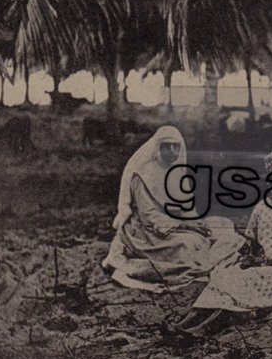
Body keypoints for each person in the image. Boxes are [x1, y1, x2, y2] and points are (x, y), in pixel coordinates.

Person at [175, 151, 272, 335]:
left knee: (243, 283)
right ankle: (184, 324)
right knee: (225, 275)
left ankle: (202, 329)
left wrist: (263, 263)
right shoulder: (261, 208)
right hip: (264, 266)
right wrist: (248, 260)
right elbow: (253, 246)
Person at [102, 125, 243, 292]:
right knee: (188, 244)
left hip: (175, 223)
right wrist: (185, 226)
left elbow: (186, 205)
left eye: (175, 146)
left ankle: (204, 254)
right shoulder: (142, 175)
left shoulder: (176, 171)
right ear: (157, 148)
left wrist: (196, 223)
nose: (171, 151)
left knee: (222, 224)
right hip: (147, 232)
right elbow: (149, 217)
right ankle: (198, 262)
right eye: (166, 146)